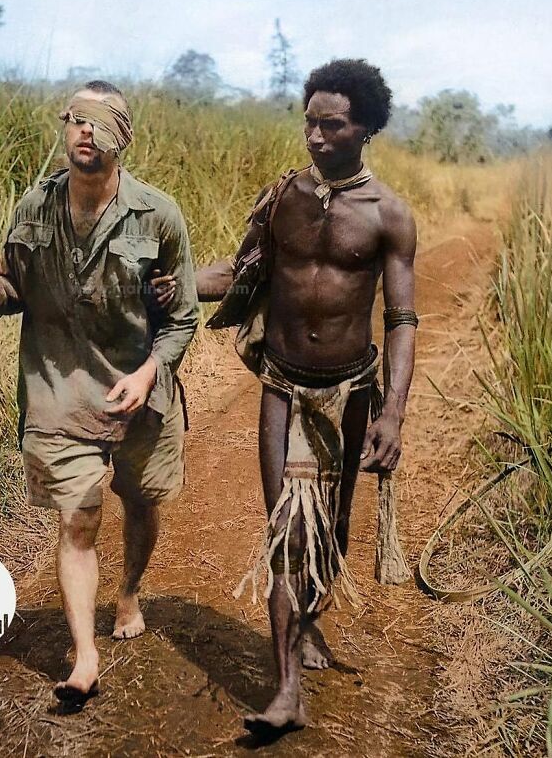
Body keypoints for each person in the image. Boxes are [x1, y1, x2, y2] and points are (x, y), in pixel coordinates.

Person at [166, 59, 418, 734]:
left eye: (329, 125)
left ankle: (309, 621)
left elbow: (400, 320)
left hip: (349, 392)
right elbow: (237, 270)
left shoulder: (388, 215)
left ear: (364, 128)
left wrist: (392, 413)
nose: (313, 136)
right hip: (281, 384)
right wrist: (172, 282)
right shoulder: (282, 200)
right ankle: (285, 692)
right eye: (307, 121)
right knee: (284, 531)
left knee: (328, 534)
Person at [0, 80, 198, 708]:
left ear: (124, 136)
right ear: (64, 129)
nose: (86, 131)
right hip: (59, 389)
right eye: (75, 119)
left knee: (140, 501)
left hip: (138, 388)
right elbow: (8, 299)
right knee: (78, 519)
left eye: (101, 120)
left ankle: (131, 590)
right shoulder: (32, 209)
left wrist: (148, 374)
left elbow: (184, 318)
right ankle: (85, 656)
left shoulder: (158, 215)